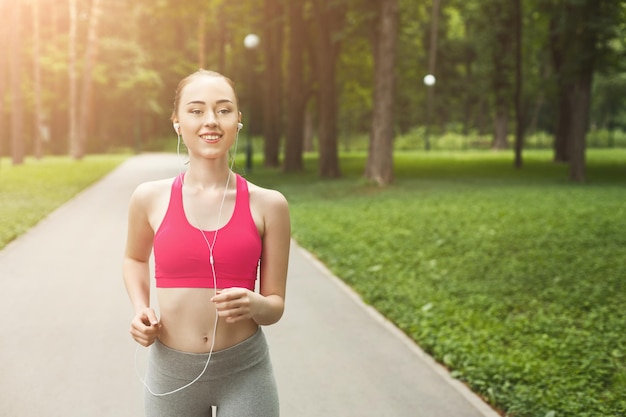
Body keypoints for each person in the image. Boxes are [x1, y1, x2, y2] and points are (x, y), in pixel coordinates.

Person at [123, 69, 290, 417]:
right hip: (171, 374)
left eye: (223, 110)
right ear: (177, 122)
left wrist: (256, 304)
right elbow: (135, 259)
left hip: (246, 372)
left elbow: (275, 305)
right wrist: (141, 308)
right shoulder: (149, 198)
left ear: (238, 121)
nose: (211, 121)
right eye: (196, 110)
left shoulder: (269, 204)